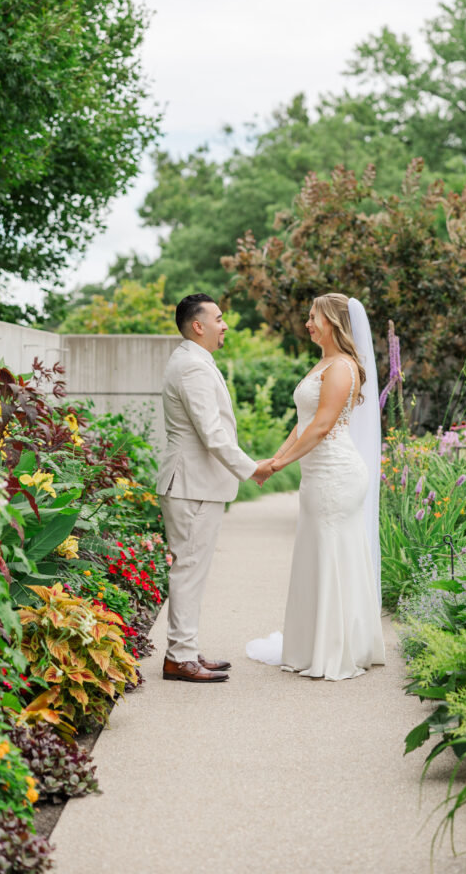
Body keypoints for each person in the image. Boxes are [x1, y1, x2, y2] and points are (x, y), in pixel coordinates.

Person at [250, 293, 385, 681]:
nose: (308, 323)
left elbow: (323, 427)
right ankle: (317, 642)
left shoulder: (342, 366)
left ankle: (336, 649)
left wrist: (280, 464)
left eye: (314, 317)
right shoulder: (323, 364)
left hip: (336, 474)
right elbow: (303, 422)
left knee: (332, 552)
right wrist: (274, 461)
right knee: (318, 551)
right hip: (317, 475)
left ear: (335, 323)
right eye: (308, 316)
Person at [157, 293, 271, 684]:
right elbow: (212, 433)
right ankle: (179, 657)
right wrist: (251, 468)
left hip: (194, 482)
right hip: (192, 484)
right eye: (218, 319)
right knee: (188, 570)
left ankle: (184, 649)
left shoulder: (193, 361)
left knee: (192, 569)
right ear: (198, 325)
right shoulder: (192, 366)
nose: (225, 325)